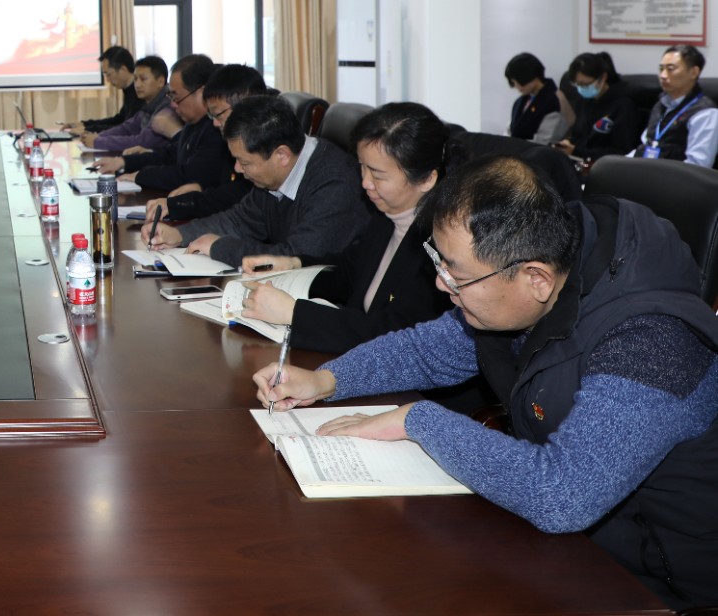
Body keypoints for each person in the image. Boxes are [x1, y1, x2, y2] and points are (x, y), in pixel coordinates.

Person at [254, 156, 718, 610]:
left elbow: (562, 495)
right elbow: (430, 349)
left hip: (657, 586)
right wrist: (326, 379)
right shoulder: (539, 275)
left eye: (455, 273)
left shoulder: (653, 343)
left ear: (535, 278)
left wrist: (418, 421)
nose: (442, 285)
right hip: (565, 544)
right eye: (440, 262)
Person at [233, 102, 459, 355]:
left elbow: (397, 335)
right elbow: (348, 275)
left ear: (427, 179)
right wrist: (293, 264)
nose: (365, 183)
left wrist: (295, 313)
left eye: (378, 175)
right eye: (362, 166)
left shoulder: (443, 246)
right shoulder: (386, 217)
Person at [147, 93, 372, 265]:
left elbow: (297, 257)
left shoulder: (335, 185)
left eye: (244, 162)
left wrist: (219, 247)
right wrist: (180, 234)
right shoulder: (273, 175)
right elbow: (239, 221)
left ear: (281, 155)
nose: (238, 169)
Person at [142, 63, 267, 226]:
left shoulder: (264, 146)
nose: (214, 123)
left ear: (245, 107)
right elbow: (225, 187)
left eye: (218, 114)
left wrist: (183, 204)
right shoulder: (226, 139)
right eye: (211, 115)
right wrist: (201, 188)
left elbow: (239, 195)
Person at [91, 54, 232, 192]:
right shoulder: (192, 124)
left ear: (201, 92)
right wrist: (124, 162)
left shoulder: (216, 128)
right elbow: (169, 155)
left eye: (177, 98)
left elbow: (189, 174)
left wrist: (141, 176)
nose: (173, 105)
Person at [633, 44, 717, 166]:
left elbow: (698, 165)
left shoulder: (705, 113)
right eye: (661, 69)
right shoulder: (660, 104)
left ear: (694, 72)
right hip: (646, 170)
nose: (663, 75)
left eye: (670, 69)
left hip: (674, 176)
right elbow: (646, 145)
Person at [553, 51, 639, 164]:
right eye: (577, 84)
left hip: (606, 166)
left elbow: (622, 151)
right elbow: (579, 135)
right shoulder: (584, 100)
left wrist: (577, 151)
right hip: (578, 162)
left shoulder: (623, 105)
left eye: (585, 84)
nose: (581, 89)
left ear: (603, 78)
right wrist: (568, 143)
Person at [84, 55, 172, 152]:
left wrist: (99, 142)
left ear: (160, 82)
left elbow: (142, 141)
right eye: (135, 79)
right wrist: (99, 136)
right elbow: (127, 128)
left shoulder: (168, 106)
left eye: (143, 79)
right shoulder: (149, 104)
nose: (137, 85)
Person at [67, 46, 138, 134]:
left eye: (108, 74)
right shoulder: (129, 90)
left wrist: (87, 129)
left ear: (123, 70)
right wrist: (84, 124)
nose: (107, 80)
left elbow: (126, 128)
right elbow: (119, 119)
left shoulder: (139, 92)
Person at [503, 52, 569, 144]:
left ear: (529, 76)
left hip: (536, 151)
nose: (515, 86)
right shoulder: (522, 100)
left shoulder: (554, 100)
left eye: (516, 81)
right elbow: (511, 129)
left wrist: (514, 145)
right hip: (518, 149)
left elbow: (545, 140)